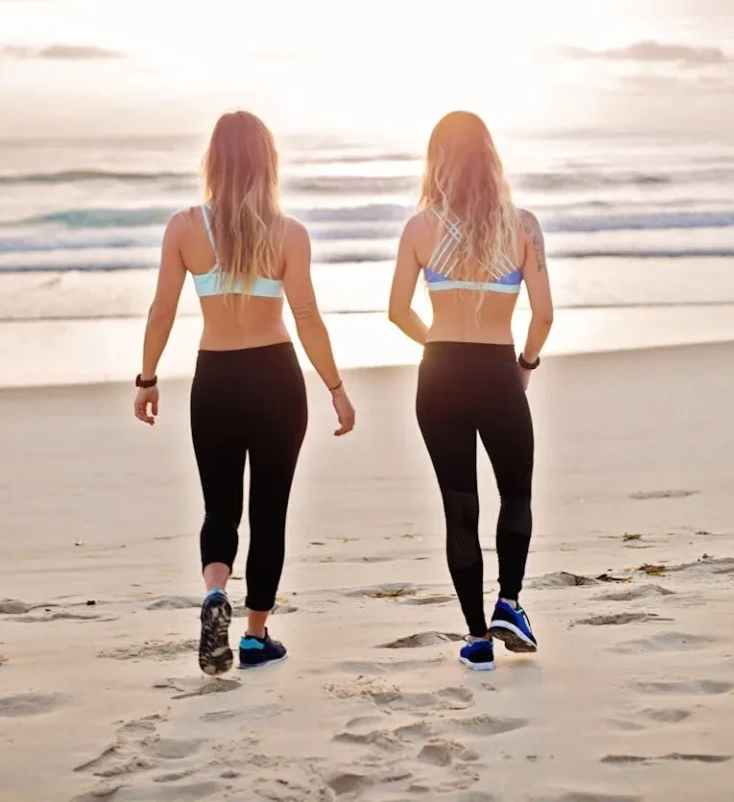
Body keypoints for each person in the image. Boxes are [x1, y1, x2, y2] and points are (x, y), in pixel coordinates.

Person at [134, 111, 355, 676]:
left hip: (217, 381)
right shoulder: (289, 233)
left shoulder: (184, 227)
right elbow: (306, 316)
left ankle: (215, 592)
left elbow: (162, 310)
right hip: (277, 380)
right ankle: (255, 636)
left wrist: (148, 377)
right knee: (270, 512)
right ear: (268, 161)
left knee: (220, 507)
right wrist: (335, 387)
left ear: (212, 159)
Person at [388, 111, 553, 672]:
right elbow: (544, 316)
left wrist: (437, 343)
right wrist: (524, 365)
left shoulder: (419, 227)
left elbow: (396, 312)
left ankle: (477, 639)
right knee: (517, 494)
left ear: (437, 160)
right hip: (497, 372)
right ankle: (509, 600)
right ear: (490, 156)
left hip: (439, 376)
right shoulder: (523, 226)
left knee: (460, 510)